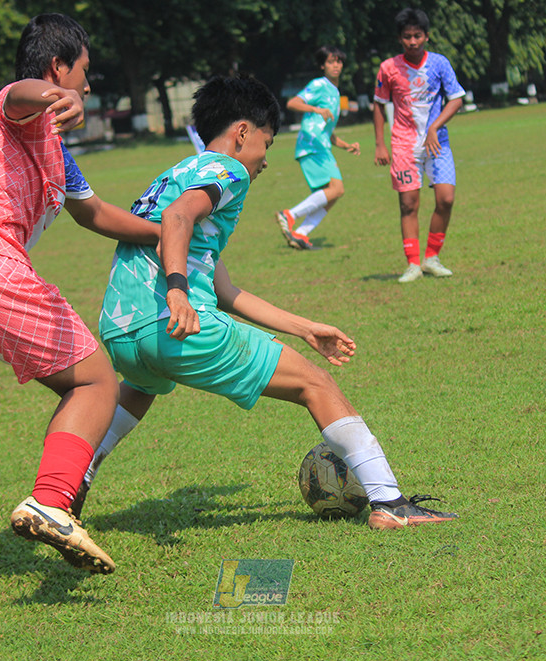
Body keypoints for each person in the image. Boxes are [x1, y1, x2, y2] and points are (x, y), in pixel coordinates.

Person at [71, 74, 458, 535]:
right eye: (266, 143)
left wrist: (305, 327)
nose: (265, 160)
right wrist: (177, 290)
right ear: (242, 132)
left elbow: (226, 290)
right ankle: (390, 502)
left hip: (121, 330)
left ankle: (70, 486)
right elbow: (177, 219)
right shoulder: (228, 170)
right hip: (174, 320)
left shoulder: (175, 175)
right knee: (315, 383)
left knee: (140, 388)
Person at [0, 13, 161, 626]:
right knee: (96, 380)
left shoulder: (56, 154)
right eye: (82, 73)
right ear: (57, 67)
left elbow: (94, 213)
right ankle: (52, 500)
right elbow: (19, 95)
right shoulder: (18, 108)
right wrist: (54, 96)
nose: (87, 86)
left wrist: (167, 232)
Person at [373, 8, 465, 282]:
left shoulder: (439, 63)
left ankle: (432, 258)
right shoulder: (388, 68)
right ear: (399, 38)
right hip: (404, 144)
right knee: (408, 204)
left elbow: (456, 99)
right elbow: (379, 104)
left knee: (446, 199)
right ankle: (413, 264)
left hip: (437, 143)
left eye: (417, 35)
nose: (412, 41)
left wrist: (435, 127)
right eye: (407, 36)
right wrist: (380, 144)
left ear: (426, 36)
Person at [275, 46, 360, 250]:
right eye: (330, 62)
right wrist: (315, 108)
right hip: (312, 145)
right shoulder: (319, 85)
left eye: (338, 61)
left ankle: (300, 234)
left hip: (322, 146)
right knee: (337, 189)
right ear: (323, 65)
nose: (335, 65)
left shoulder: (335, 92)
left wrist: (346, 146)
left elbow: (327, 131)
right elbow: (292, 103)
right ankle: (289, 215)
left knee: (332, 195)